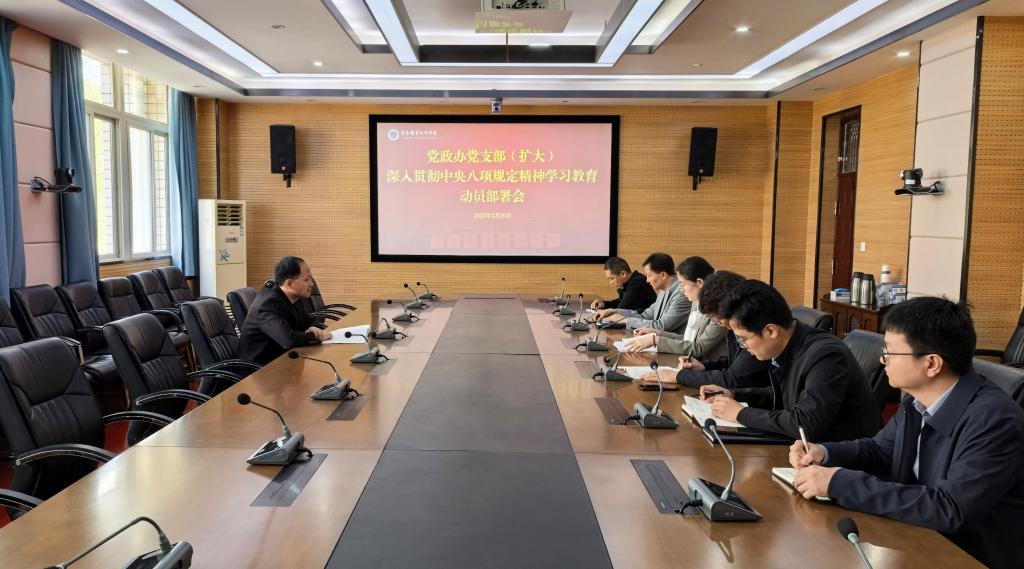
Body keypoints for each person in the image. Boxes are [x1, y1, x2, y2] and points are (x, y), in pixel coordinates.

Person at [789, 297, 1024, 569]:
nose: (882, 360)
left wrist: (839, 483)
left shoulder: (994, 419)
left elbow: (951, 509)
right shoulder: (918, 400)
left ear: (932, 364)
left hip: (968, 557)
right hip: (915, 537)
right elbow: (881, 450)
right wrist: (824, 452)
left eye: (890, 352)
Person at [699, 279, 881, 442]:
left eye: (743, 339)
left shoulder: (826, 356)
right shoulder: (791, 344)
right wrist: (734, 395)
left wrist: (741, 413)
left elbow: (806, 424)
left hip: (841, 459)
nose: (743, 346)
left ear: (771, 331)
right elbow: (788, 396)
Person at [640, 270, 771, 389]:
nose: (717, 321)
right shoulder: (735, 328)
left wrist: (678, 376)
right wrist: (704, 366)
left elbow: (733, 378)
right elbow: (734, 364)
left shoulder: (752, 327)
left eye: (714, 317)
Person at [626, 256, 727, 361]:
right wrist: (657, 333)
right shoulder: (696, 301)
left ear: (699, 283)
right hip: (692, 362)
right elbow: (689, 339)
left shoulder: (718, 308)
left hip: (712, 366)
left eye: (683, 285)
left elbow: (698, 347)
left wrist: (656, 341)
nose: (681, 290)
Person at [238, 256, 333, 365]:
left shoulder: (294, 298)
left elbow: (308, 322)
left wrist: (313, 328)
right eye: (306, 279)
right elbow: (288, 340)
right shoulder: (268, 304)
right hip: (257, 369)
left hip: (281, 361)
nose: (311, 283)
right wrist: (316, 336)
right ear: (289, 284)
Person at [592, 252, 690, 334]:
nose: (647, 280)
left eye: (649, 276)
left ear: (663, 275)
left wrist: (625, 320)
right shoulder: (664, 290)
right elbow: (645, 315)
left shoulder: (681, 294)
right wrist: (615, 312)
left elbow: (662, 326)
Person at [590, 256, 656, 312]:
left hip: (647, 322)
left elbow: (621, 310)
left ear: (623, 274)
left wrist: (601, 312)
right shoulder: (630, 282)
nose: (611, 282)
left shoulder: (638, 283)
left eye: (612, 278)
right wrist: (604, 304)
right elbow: (620, 302)